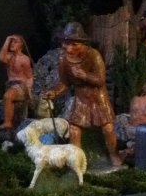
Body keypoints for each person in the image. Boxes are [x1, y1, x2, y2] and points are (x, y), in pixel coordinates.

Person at [42, 22, 123, 167]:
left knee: (108, 128)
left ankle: (113, 153)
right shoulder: (64, 60)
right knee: (74, 129)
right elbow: (65, 83)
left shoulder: (93, 55)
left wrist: (85, 75)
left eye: (74, 44)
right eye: (66, 44)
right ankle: (76, 160)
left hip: (98, 97)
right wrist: (54, 92)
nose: (68, 48)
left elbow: (100, 80)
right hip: (81, 99)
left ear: (82, 43)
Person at [0, 34, 34, 130]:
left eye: (15, 42)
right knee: (8, 99)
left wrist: (29, 91)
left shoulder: (24, 59)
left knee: (8, 96)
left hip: (20, 86)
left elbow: (29, 77)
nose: (12, 44)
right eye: (11, 42)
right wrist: (7, 39)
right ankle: (11, 125)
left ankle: (8, 123)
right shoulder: (9, 57)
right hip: (10, 85)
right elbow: (0, 58)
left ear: (21, 44)